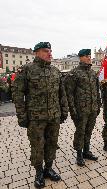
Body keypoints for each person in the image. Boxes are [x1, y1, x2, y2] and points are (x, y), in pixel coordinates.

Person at [12, 42, 68, 188]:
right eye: (45, 51)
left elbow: (62, 93)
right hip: (35, 118)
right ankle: (38, 172)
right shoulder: (26, 70)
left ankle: (48, 169)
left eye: (50, 51)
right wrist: (22, 116)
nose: (49, 53)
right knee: (37, 146)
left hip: (54, 116)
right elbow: (18, 94)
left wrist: (64, 111)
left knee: (52, 144)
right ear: (36, 53)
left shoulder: (55, 71)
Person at [65, 49, 101, 166]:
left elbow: (96, 90)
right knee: (80, 132)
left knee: (88, 131)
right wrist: (73, 110)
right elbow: (69, 94)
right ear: (80, 57)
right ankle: (79, 155)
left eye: (89, 56)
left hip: (92, 108)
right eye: (86, 56)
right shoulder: (74, 73)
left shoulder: (92, 73)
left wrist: (98, 105)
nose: (89, 58)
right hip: (81, 110)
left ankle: (86, 151)